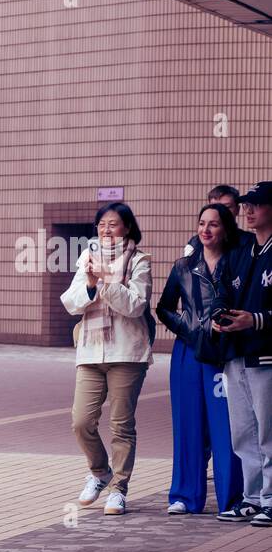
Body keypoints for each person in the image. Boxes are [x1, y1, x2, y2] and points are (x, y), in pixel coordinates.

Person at [60, 201, 154, 516]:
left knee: (121, 425)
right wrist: (89, 284)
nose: (106, 229)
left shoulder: (140, 261)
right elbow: (71, 303)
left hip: (127, 352)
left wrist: (108, 281)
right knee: (81, 421)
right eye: (102, 224)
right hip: (90, 350)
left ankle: (119, 489)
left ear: (127, 227)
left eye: (113, 224)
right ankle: (100, 472)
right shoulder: (87, 257)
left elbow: (136, 306)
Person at [157, 204, 243, 515]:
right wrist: (192, 330)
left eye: (215, 224)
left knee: (226, 427)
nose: (206, 230)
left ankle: (232, 498)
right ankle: (184, 495)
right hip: (188, 352)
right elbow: (164, 308)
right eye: (202, 223)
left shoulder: (237, 264)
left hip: (224, 353)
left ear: (226, 229)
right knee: (187, 424)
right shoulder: (183, 266)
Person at [213, 181, 272, 527]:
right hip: (236, 354)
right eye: (245, 205)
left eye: (256, 204)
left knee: (268, 431)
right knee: (243, 432)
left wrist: (257, 320)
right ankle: (252, 498)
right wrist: (220, 317)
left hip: (265, 355)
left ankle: (270, 498)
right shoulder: (242, 251)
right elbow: (222, 291)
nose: (247, 210)